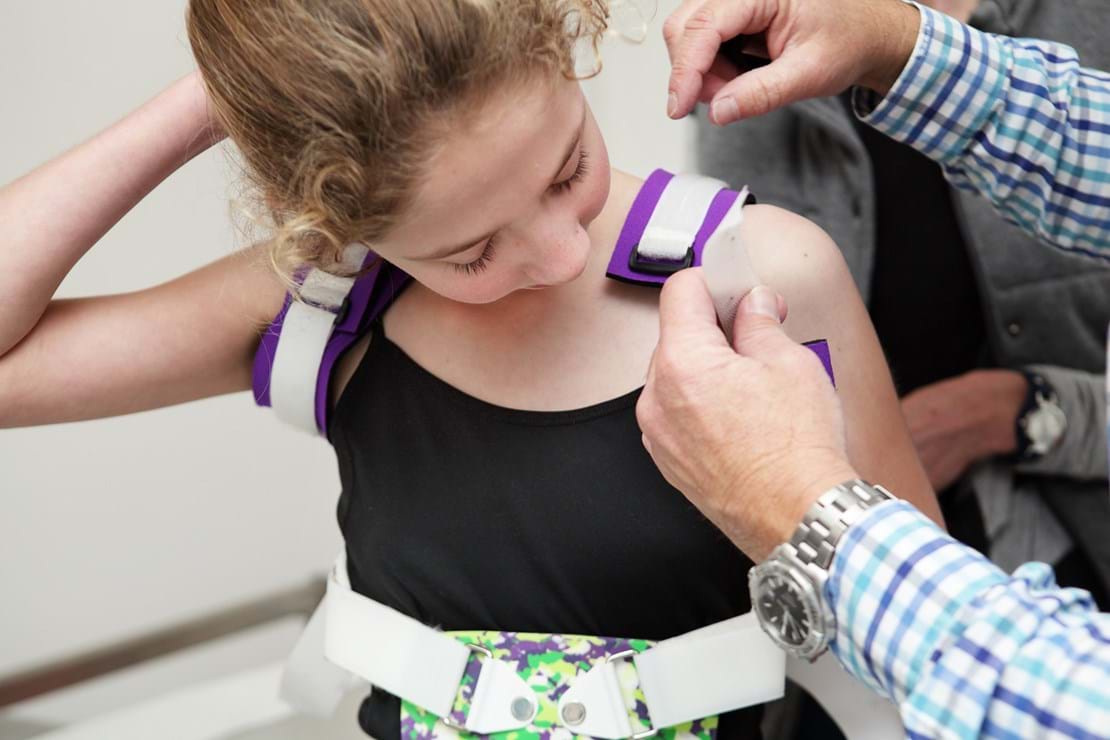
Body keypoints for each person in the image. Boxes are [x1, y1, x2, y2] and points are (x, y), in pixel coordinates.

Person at [0, 1, 939, 737]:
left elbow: (927, 640)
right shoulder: (323, 299)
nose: (561, 256)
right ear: (330, 221)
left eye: (567, 168)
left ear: (561, 43)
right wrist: (226, 98)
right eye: (472, 252)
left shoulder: (762, 274)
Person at [641, 0, 1110, 736]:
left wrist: (1023, 412)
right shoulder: (754, 75)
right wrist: (898, 46)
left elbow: (1053, 700)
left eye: (571, 172)